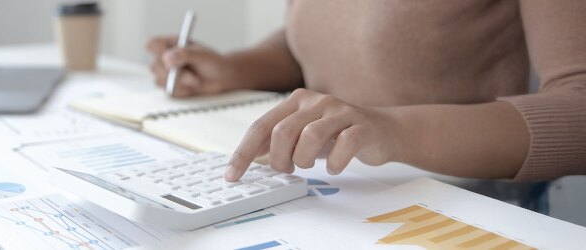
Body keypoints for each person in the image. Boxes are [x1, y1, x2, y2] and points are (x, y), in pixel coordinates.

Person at [146, 1, 586, 183]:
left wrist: (392, 128)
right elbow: (322, 44)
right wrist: (233, 68)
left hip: (455, 206)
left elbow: (579, 107)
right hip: (328, 189)